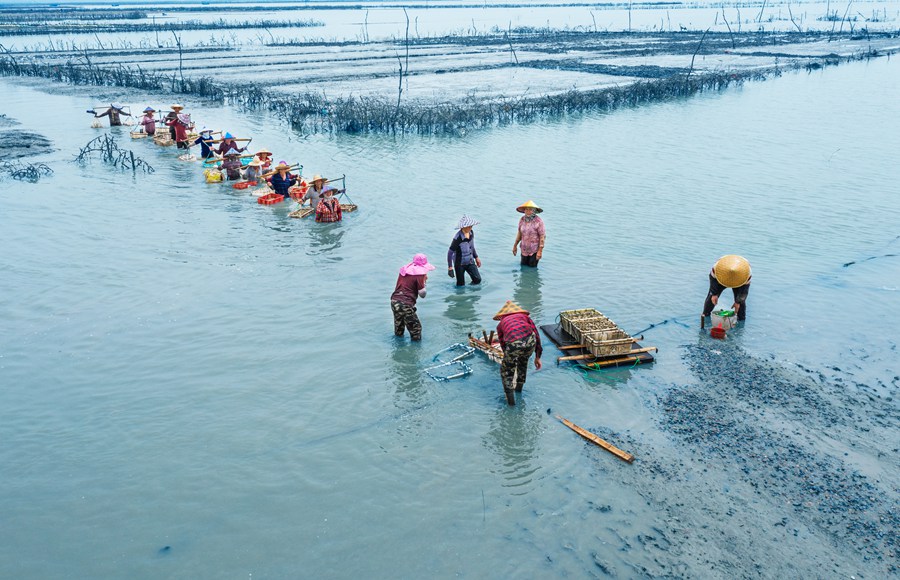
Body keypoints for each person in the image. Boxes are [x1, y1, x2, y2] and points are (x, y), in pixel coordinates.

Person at [494, 300, 542, 406]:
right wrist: (538, 356)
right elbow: (536, 334)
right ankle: (518, 391)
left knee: (506, 372)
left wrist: (509, 359)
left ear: (502, 316)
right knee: (523, 363)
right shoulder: (525, 317)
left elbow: (503, 344)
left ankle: (511, 403)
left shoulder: (501, 324)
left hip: (513, 343)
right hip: (530, 340)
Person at [390, 253, 435, 341]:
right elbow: (422, 294)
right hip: (405, 304)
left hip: (394, 300)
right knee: (416, 329)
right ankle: (416, 351)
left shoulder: (404, 271)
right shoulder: (420, 275)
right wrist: (424, 283)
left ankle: (398, 349)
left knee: (399, 328)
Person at [702, 255, 752, 321]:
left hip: (740, 282)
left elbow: (744, 290)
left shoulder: (747, 273)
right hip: (720, 279)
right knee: (711, 298)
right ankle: (705, 315)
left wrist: (738, 302)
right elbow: (713, 279)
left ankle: (741, 321)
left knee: (740, 304)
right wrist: (714, 294)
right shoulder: (717, 267)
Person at [448, 215, 482, 286]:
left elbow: (472, 246)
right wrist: (450, 268)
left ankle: (471, 292)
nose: (471, 227)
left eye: (471, 226)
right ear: (463, 227)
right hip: (459, 264)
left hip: (470, 261)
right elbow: (450, 253)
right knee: (461, 285)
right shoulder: (457, 238)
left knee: (477, 280)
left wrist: (476, 257)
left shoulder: (471, 233)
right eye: (469, 226)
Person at [512, 200, 545, 267]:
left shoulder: (538, 221)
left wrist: (540, 251)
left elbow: (542, 237)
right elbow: (519, 234)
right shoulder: (522, 220)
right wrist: (515, 246)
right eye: (526, 209)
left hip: (534, 250)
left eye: (530, 210)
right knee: (523, 268)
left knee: (532, 269)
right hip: (524, 249)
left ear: (534, 211)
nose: (528, 211)